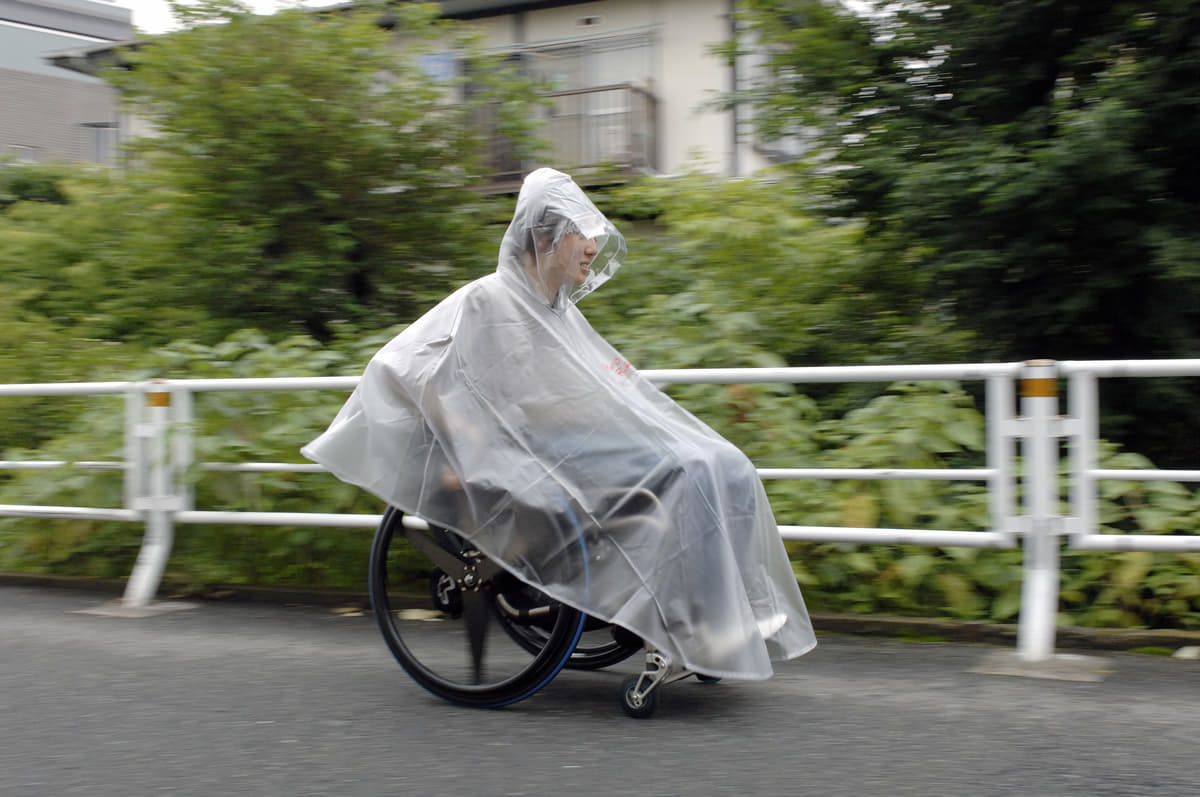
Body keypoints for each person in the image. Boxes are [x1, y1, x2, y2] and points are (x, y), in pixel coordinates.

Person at [302, 167, 815, 680]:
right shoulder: (485, 300)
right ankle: (694, 625)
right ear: (544, 237)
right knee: (688, 468)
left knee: (726, 462)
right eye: (580, 233)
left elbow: (587, 390)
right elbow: (405, 365)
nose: (592, 248)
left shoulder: (558, 310)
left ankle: (731, 610)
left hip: (568, 445)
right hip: (527, 457)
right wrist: (467, 440)